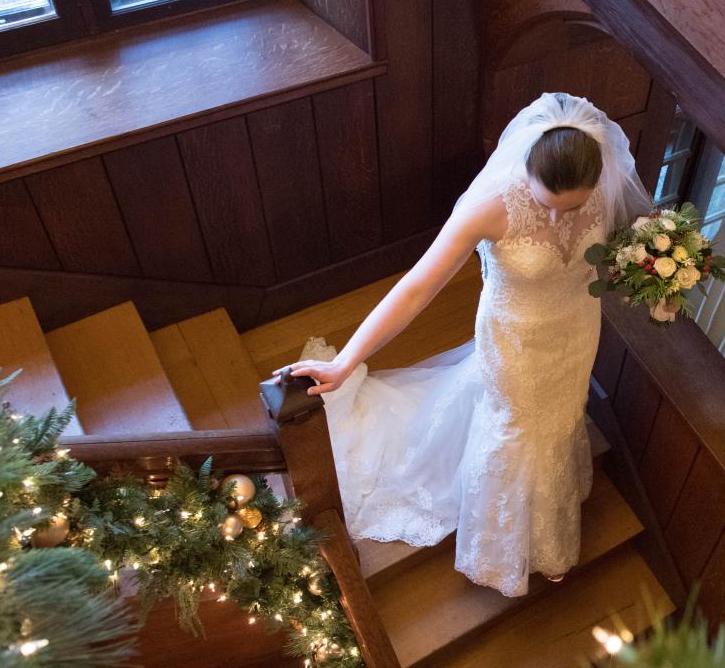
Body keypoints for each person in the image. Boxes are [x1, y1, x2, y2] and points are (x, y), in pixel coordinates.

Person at [276, 93, 651, 597]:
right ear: (527, 171)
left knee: (560, 420)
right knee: (517, 431)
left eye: (575, 207)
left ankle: (545, 516)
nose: (561, 219)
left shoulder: (606, 189)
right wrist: (345, 361)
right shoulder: (489, 209)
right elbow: (414, 290)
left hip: (576, 330)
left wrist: (660, 279)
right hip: (513, 341)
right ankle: (507, 549)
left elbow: (629, 252)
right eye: (548, 203)